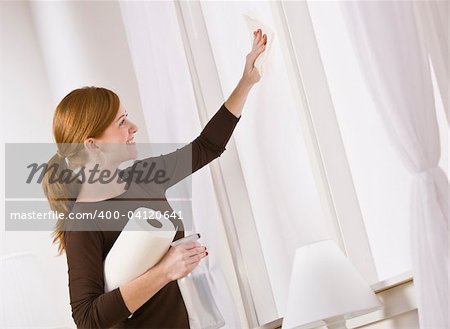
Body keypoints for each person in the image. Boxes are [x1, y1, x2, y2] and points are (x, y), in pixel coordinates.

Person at [42, 29, 267, 328]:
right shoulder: (83, 221)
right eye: (121, 122)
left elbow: (205, 148)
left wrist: (246, 81)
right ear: (93, 144)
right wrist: (166, 270)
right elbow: (87, 319)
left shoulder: (143, 176)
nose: (133, 127)